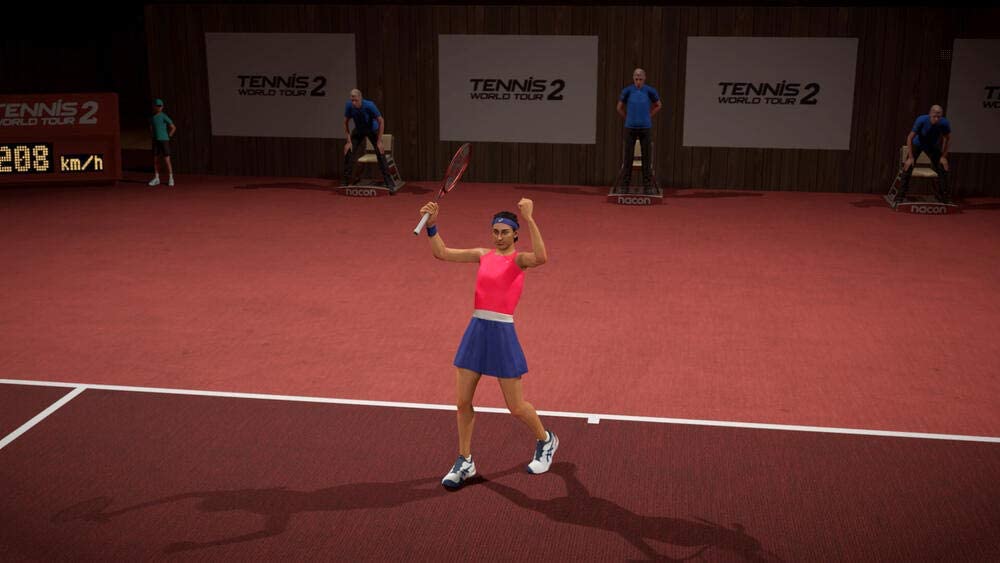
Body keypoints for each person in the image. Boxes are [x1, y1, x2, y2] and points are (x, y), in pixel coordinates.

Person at [419, 198, 558, 489]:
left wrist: (530, 218)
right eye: (495, 231)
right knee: (462, 401)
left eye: (505, 232)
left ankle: (546, 440)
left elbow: (542, 257)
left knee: (516, 407)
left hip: (502, 334)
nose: (499, 237)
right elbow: (442, 253)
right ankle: (465, 460)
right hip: (477, 331)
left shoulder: (519, 260)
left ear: (515, 234)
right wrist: (432, 226)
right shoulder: (482, 255)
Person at [616, 68, 662, 195]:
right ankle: (624, 186)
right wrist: (628, 118)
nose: (638, 82)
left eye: (640, 79)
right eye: (636, 79)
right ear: (633, 78)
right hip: (630, 128)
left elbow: (659, 105)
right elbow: (618, 107)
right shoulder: (627, 90)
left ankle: (648, 187)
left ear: (644, 78)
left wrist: (648, 116)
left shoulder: (650, 90)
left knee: (646, 158)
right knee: (628, 158)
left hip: (645, 128)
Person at [897, 104, 953, 204]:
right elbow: (910, 137)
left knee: (943, 167)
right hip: (918, 144)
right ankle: (900, 197)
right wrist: (910, 157)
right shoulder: (921, 120)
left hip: (932, 146)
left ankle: (945, 198)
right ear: (930, 114)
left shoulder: (944, 123)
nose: (936, 119)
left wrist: (943, 156)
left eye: (939, 117)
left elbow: (947, 138)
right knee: (908, 166)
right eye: (934, 116)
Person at [342, 89, 395, 192]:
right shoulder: (349, 106)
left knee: (380, 152)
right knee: (348, 151)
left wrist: (379, 141)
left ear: (360, 98)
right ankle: (345, 181)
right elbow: (345, 122)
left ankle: (389, 183)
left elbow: (381, 121)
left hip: (371, 129)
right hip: (359, 130)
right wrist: (348, 141)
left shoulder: (369, 105)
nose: (354, 103)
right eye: (352, 100)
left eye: (356, 100)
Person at [148, 98, 176, 187]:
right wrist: (153, 136)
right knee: (156, 160)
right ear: (154, 107)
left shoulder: (164, 116)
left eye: (160, 106)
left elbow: (173, 127)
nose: (159, 107)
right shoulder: (152, 118)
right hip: (156, 141)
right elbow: (151, 128)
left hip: (164, 141)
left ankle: (171, 178)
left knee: (167, 160)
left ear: (162, 107)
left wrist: (168, 136)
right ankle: (157, 178)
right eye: (157, 106)